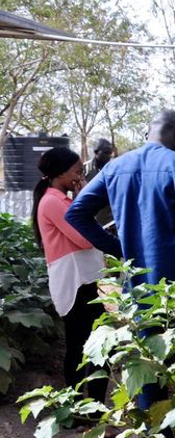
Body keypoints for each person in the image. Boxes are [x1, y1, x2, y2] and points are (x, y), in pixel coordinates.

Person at [66, 110, 175, 297]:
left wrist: (119, 248)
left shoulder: (114, 167)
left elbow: (76, 214)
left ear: (147, 135)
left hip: (139, 289)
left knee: (146, 325)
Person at [33, 147, 107, 405]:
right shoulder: (53, 202)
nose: (79, 176)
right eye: (76, 171)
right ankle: (88, 408)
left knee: (86, 344)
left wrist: (79, 199)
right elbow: (85, 239)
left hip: (81, 281)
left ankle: (83, 406)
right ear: (61, 173)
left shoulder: (60, 199)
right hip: (75, 283)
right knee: (90, 345)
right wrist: (85, 197)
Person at [83, 139, 115, 228]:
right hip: (91, 220)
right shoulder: (84, 170)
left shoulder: (114, 169)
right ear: (96, 152)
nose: (109, 156)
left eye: (110, 153)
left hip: (111, 221)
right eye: (105, 153)